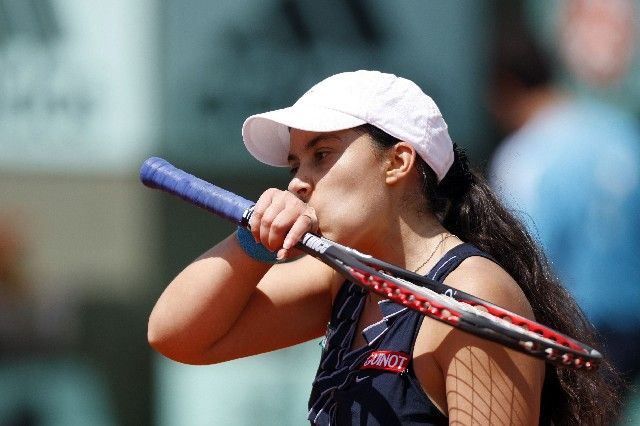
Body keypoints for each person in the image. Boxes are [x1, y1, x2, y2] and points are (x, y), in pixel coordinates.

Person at [148, 70, 621, 425]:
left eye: (322, 155)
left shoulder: (476, 292)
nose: (297, 184)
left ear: (397, 162)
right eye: (295, 164)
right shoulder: (344, 282)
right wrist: (251, 241)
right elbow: (177, 336)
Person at [487, 16, 640, 388]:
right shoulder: (620, 132)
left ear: (506, 87)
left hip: (572, 335)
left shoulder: (525, 155)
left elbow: (521, 257)